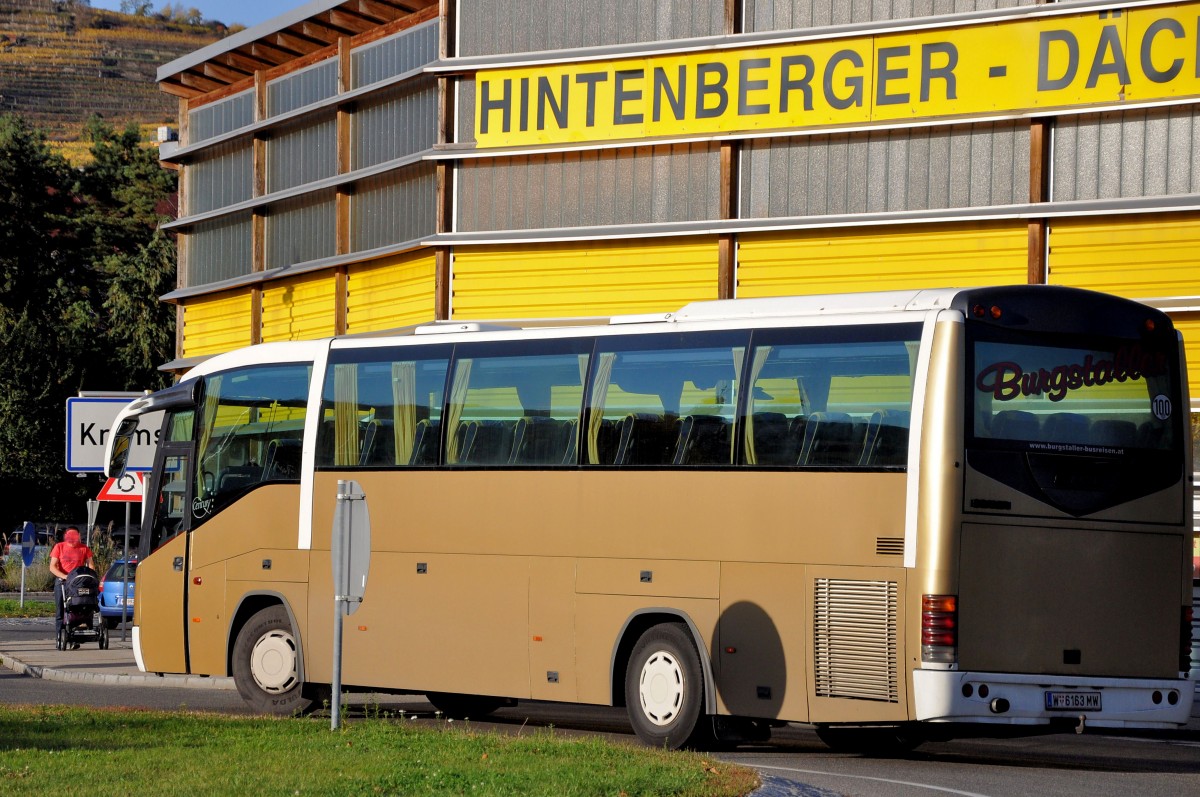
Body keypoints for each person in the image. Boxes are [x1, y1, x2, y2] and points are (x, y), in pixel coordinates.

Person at [49, 527, 95, 634]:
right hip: (62, 582)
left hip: (78, 583)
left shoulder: (84, 548)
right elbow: (52, 566)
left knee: (78, 607)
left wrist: (88, 576)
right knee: (61, 610)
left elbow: (91, 565)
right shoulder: (59, 547)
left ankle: (75, 634)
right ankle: (60, 636)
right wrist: (64, 576)